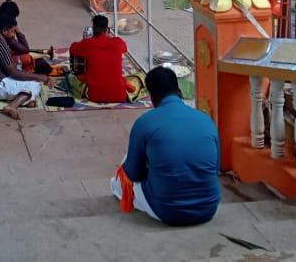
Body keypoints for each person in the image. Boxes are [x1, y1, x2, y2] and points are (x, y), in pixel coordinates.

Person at [111, 66, 220, 226]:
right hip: (208, 208)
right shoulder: (206, 120)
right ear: (179, 90)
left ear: (152, 97)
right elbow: (215, 169)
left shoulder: (145, 122)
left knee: (117, 182)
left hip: (167, 210)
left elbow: (133, 174)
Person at [0, 13, 54, 120]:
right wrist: (41, 77)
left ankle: (26, 100)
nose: (13, 35)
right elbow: (14, 73)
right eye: (12, 31)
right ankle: (12, 106)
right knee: (35, 84)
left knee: (23, 73)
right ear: (4, 31)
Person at [69, 14, 130, 103]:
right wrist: (108, 37)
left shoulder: (88, 43)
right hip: (119, 96)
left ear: (93, 29)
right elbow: (125, 49)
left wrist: (84, 40)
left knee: (71, 77)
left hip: (95, 96)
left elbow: (72, 48)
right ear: (108, 29)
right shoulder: (118, 42)